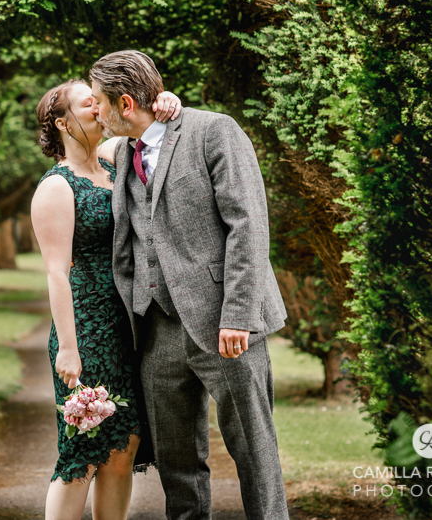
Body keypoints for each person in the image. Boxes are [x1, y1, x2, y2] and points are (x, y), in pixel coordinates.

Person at [89, 50, 289, 520]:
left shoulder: (213, 131)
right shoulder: (122, 152)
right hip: (155, 328)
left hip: (225, 323)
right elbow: (79, 145)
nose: (94, 111)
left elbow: (249, 225)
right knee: (177, 461)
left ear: (123, 102)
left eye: (98, 102)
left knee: (253, 449)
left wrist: (239, 314)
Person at [31, 80, 181, 520]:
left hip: (125, 327)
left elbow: (150, 127)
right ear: (63, 123)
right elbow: (57, 272)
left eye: (97, 100)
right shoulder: (57, 187)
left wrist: (167, 102)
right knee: (83, 449)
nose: (98, 108)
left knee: (124, 444)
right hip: (86, 328)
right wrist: (70, 348)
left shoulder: (115, 161)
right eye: (86, 103)